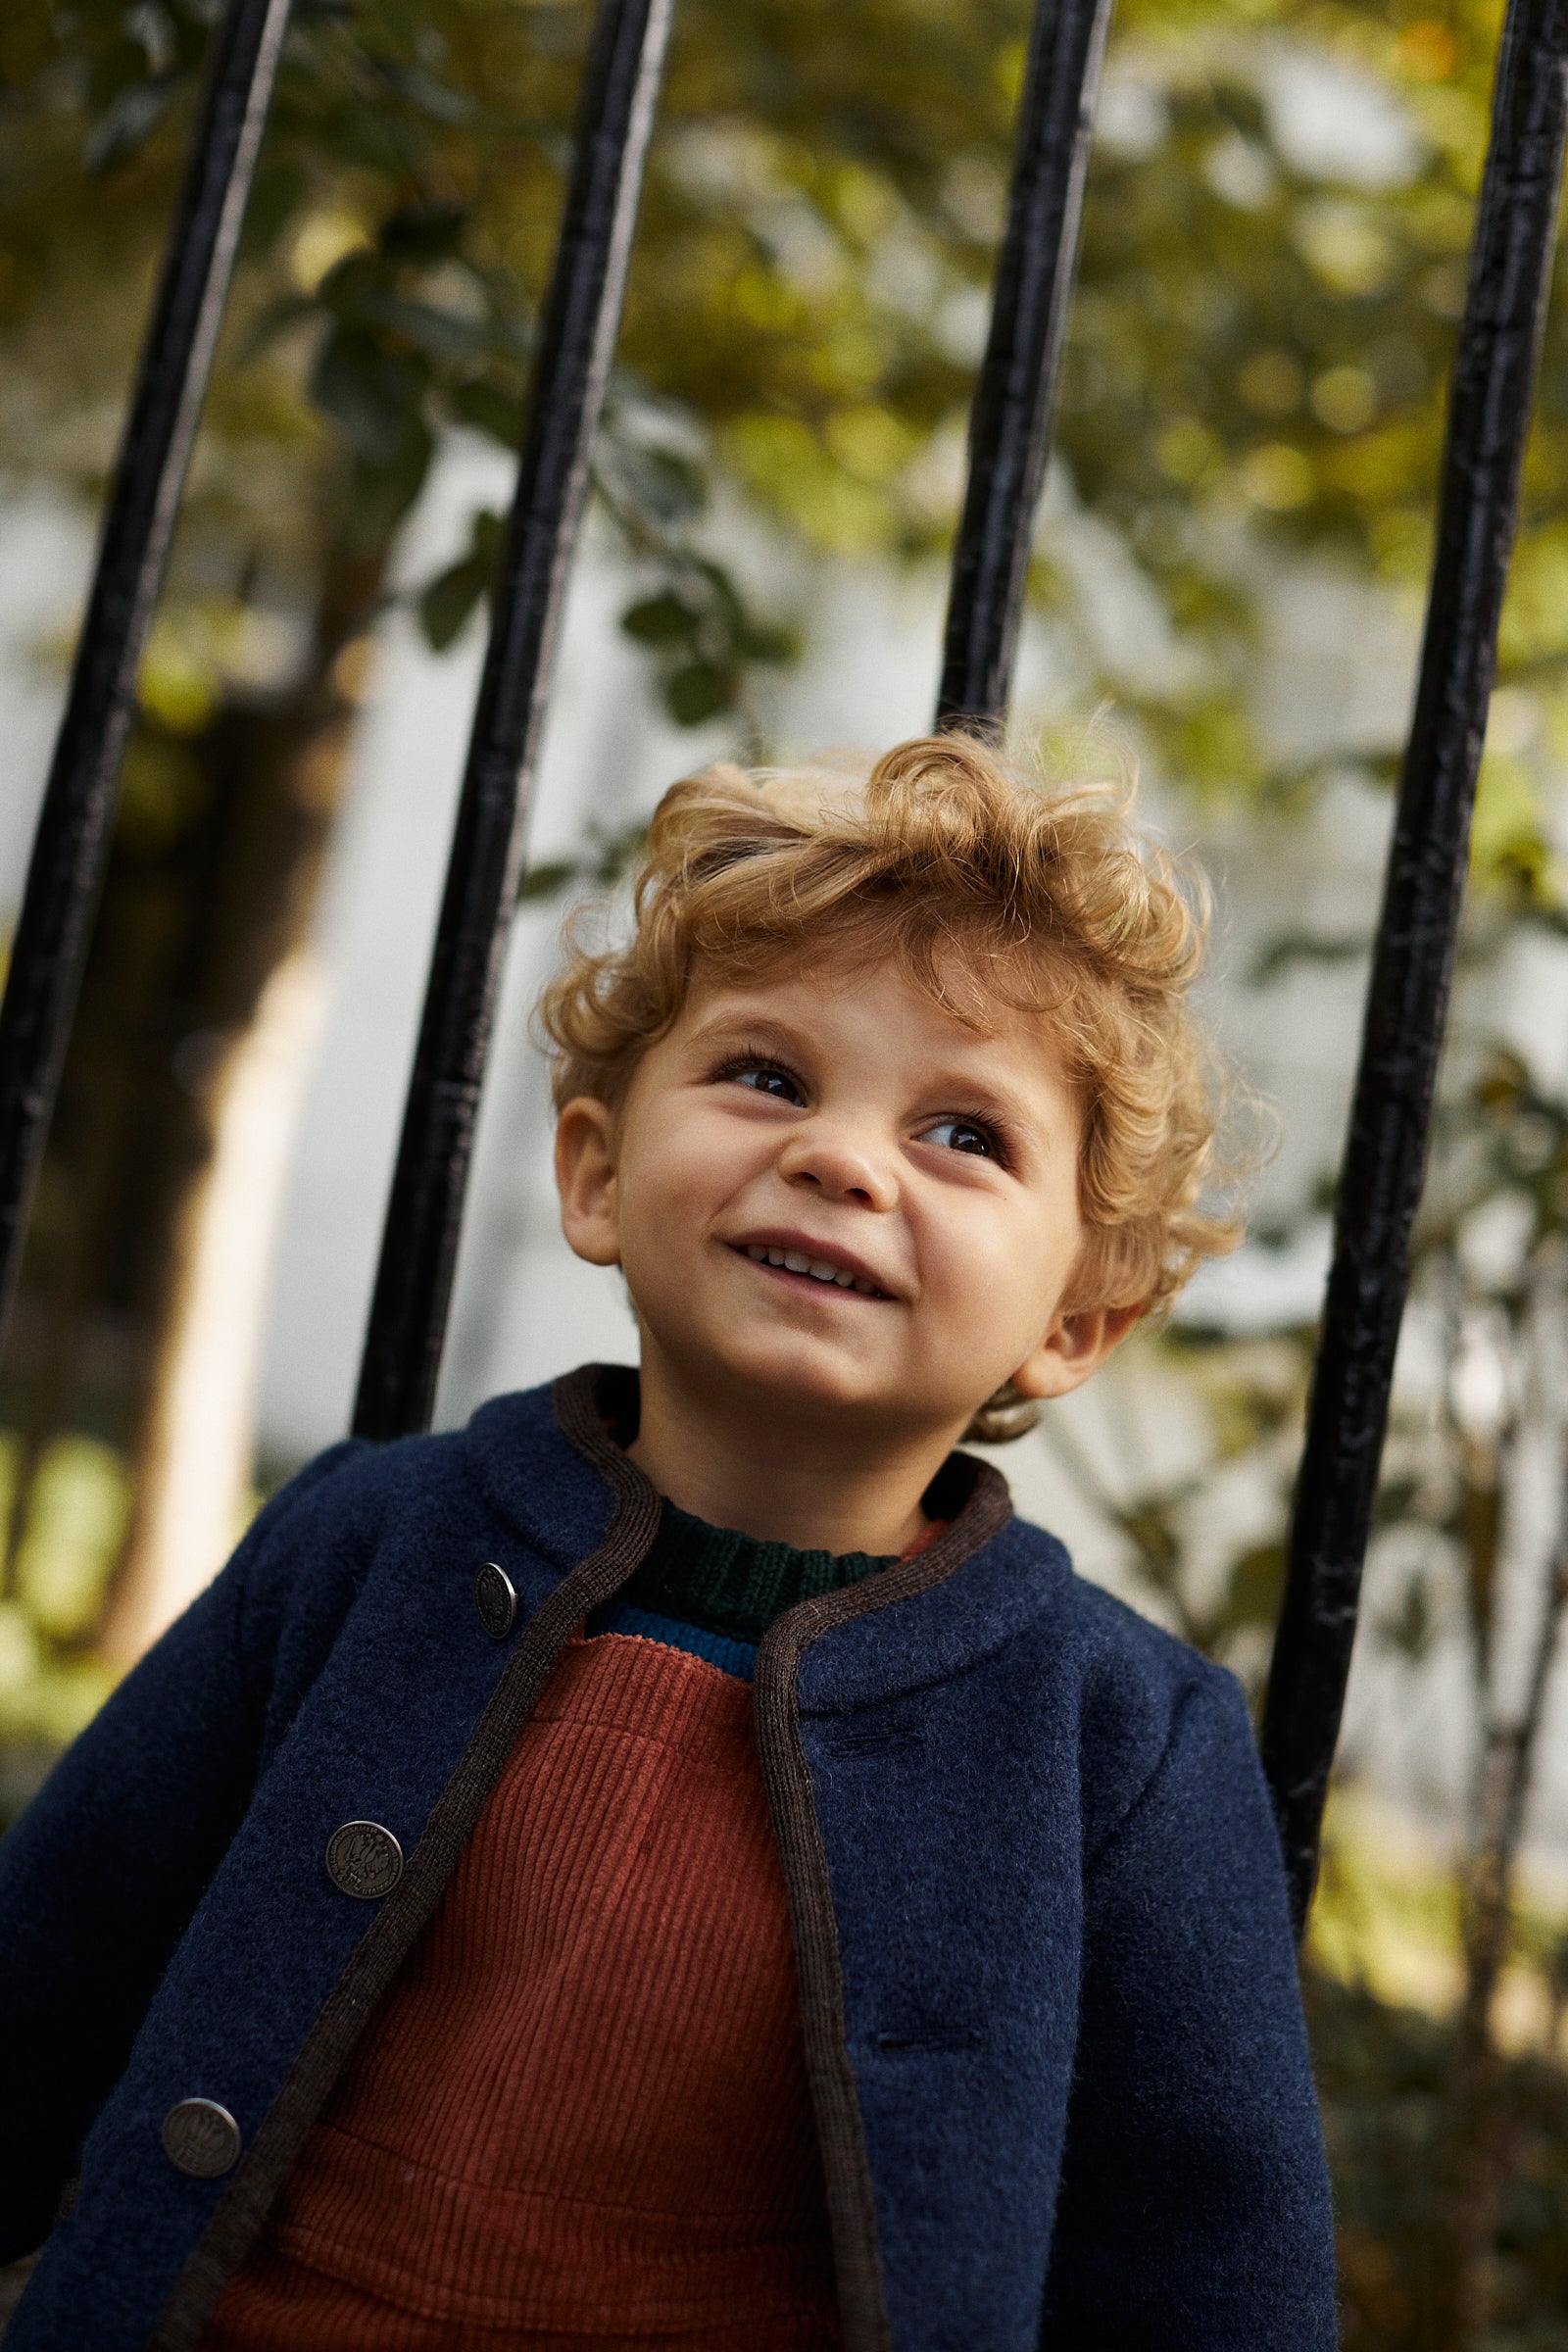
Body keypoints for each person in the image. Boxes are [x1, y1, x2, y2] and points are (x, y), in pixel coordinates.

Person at [0, 733, 1336, 2351]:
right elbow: (45, 1977)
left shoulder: (1121, 1744)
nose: (840, 1159)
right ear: (597, 1172)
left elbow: (1211, 2272)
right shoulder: (367, 1540)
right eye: (767, 1075)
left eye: (965, 1135)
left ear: (1077, 1318)